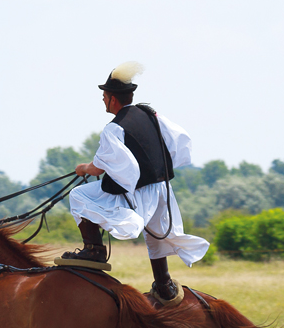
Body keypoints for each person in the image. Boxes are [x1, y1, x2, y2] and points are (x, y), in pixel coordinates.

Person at [56, 61, 210, 303]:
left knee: (78, 195)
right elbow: (177, 139)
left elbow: (98, 167)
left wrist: (83, 168)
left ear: (113, 100)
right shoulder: (150, 114)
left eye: (104, 96)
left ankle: (94, 251)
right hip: (162, 188)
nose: (103, 101)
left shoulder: (113, 129)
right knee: (155, 235)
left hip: (140, 191)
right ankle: (164, 285)